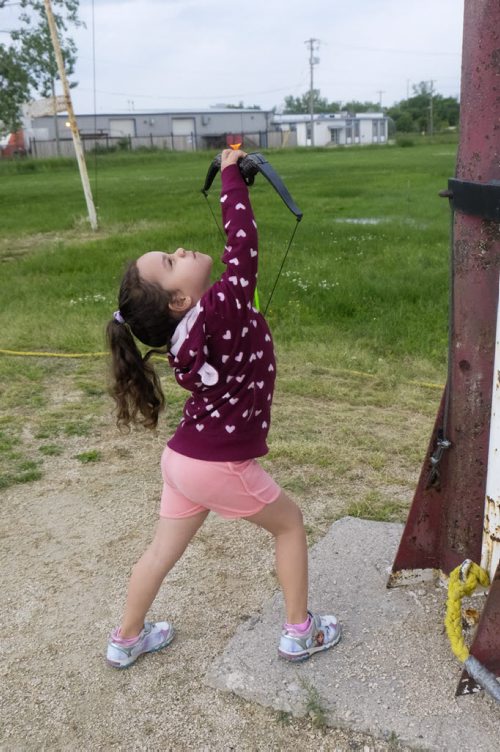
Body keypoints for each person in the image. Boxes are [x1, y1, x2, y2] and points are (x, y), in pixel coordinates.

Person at [105, 148, 341, 669]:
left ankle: (126, 639)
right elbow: (243, 247)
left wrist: (237, 176)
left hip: (182, 462)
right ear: (178, 302)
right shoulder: (218, 308)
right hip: (214, 465)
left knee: (160, 554)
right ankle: (300, 632)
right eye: (171, 261)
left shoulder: (194, 329)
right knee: (290, 525)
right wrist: (232, 176)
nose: (183, 250)